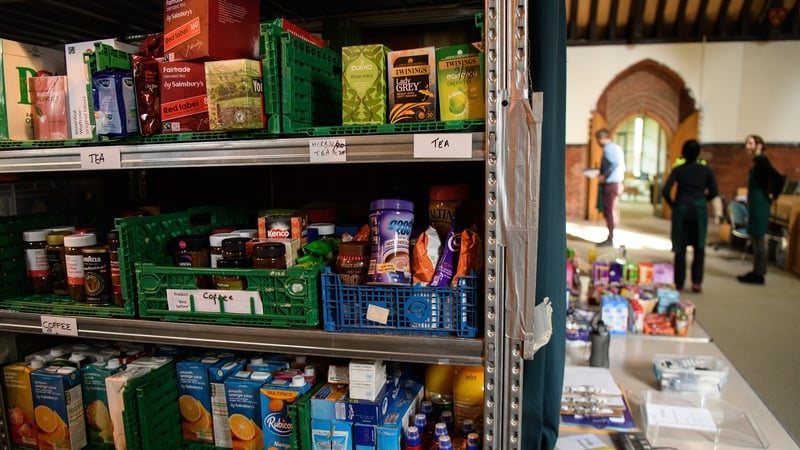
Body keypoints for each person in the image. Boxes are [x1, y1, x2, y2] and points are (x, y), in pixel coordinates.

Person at [661, 140, 719, 293]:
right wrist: (701, 200)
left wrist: (673, 204)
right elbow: (713, 192)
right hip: (699, 210)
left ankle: (679, 283)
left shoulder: (679, 170)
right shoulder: (706, 170)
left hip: (682, 208)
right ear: (699, 153)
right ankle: (696, 282)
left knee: (680, 247)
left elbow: (666, 190)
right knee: (699, 246)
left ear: (683, 153)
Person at [737, 134, 785, 285]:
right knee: (756, 239)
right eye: (746, 143)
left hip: (760, 205)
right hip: (756, 205)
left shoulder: (762, 161)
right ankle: (757, 271)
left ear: (759, 145)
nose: (747, 146)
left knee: (758, 240)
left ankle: (759, 275)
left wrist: (774, 195)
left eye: (750, 143)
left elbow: (779, 178)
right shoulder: (758, 162)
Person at [595, 128, 625, 247]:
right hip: (617, 183)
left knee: (609, 212)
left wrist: (604, 175)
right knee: (612, 211)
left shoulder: (608, 148)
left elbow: (614, 163)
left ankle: (610, 239)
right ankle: (611, 237)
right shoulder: (616, 147)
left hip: (611, 184)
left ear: (602, 138)